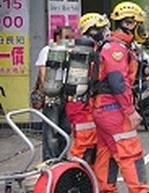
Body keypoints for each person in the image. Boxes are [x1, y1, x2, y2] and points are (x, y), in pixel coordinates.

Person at [92, 1, 149, 193]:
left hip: (101, 108)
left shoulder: (111, 45)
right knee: (130, 153)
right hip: (113, 108)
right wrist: (130, 111)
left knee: (106, 154)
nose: (141, 29)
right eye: (138, 24)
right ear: (128, 24)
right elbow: (118, 82)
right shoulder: (116, 49)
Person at [65, 13, 110, 165]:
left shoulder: (91, 50)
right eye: (101, 29)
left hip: (83, 103)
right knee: (84, 142)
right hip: (80, 105)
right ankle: (74, 173)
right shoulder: (85, 53)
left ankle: (86, 174)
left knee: (90, 144)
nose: (104, 33)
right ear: (92, 30)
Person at [35, 25, 74, 160]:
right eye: (66, 37)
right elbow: (42, 71)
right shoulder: (48, 50)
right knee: (51, 129)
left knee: (65, 128)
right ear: (57, 37)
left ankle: (62, 157)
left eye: (71, 37)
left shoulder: (70, 51)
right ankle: (50, 159)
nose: (70, 40)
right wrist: (47, 91)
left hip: (66, 93)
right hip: (52, 93)